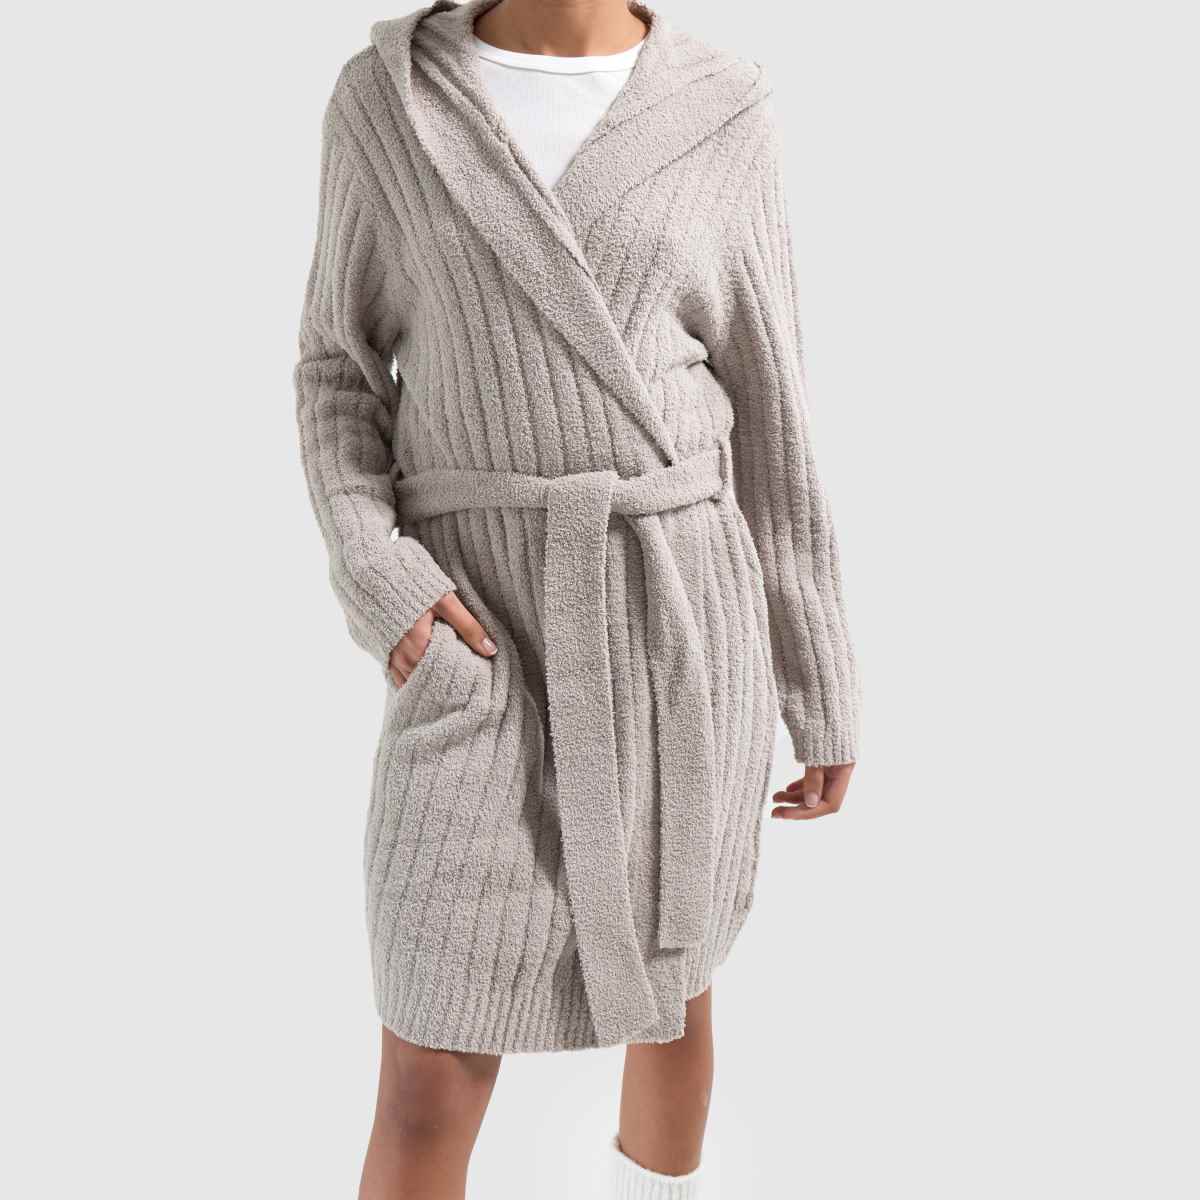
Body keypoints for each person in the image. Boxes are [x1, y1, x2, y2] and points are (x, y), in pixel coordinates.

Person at [293, 0, 860, 1195]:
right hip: (479, 635)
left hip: (676, 619)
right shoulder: (389, 99)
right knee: (426, 1071)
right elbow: (338, 371)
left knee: (671, 991)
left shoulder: (723, 108)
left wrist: (819, 684)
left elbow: (772, 406)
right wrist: (384, 579)